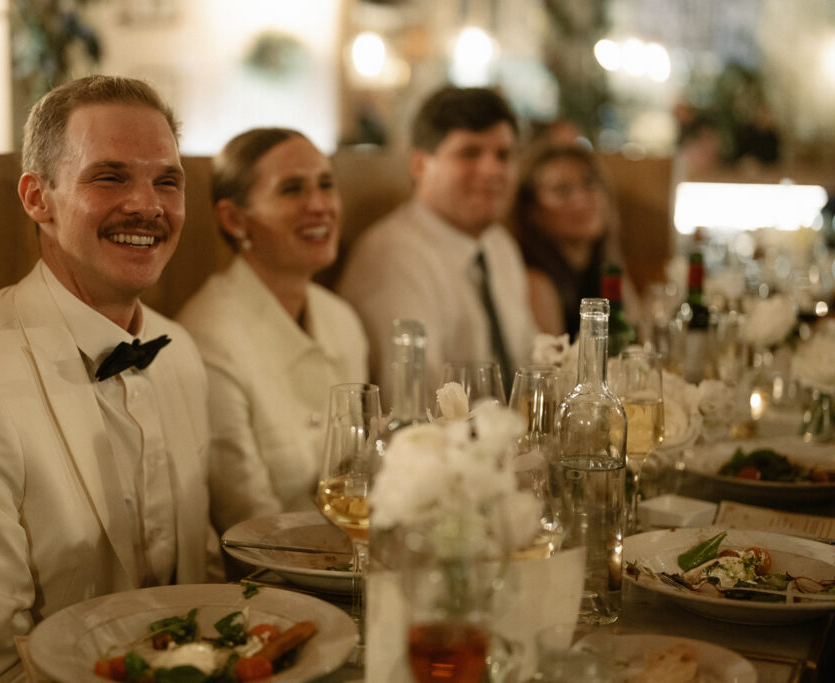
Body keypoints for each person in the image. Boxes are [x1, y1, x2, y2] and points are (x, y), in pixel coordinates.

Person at [0, 76, 215, 682]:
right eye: (110, 177)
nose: (148, 205)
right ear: (39, 199)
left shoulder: (181, 352)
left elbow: (204, 580)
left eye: (167, 180)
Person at [176, 128, 368, 533]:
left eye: (326, 185)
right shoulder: (209, 337)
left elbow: (368, 476)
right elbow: (250, 521)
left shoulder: (341, 319)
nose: (319, 205)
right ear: (233, 218)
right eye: (292, 190)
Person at [338, 86, 537, 398]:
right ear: (419, 165)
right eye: (469, 153)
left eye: (503, 155)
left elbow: (529, 364)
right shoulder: (394, 255)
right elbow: (413, 402)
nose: (492, 170)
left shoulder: (498, 243)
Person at [509, 142, 638, 339]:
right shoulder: (536, 280)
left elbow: (638, 343)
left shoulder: (607, 264)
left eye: (589, 184)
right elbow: (551, 365)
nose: (581, 199)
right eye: (562, 190)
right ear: (532, 210)